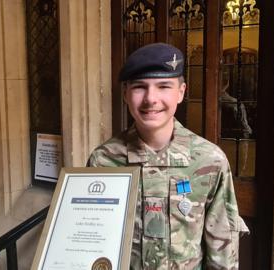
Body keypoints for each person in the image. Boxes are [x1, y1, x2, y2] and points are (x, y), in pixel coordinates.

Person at [87, 43, 248, 269]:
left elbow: (222, 250)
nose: (151, 98)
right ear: (125, 94)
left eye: (163, 86)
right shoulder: (103, 161)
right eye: (139, 87)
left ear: (181, 92)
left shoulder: (210, 161)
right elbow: (91, 240)